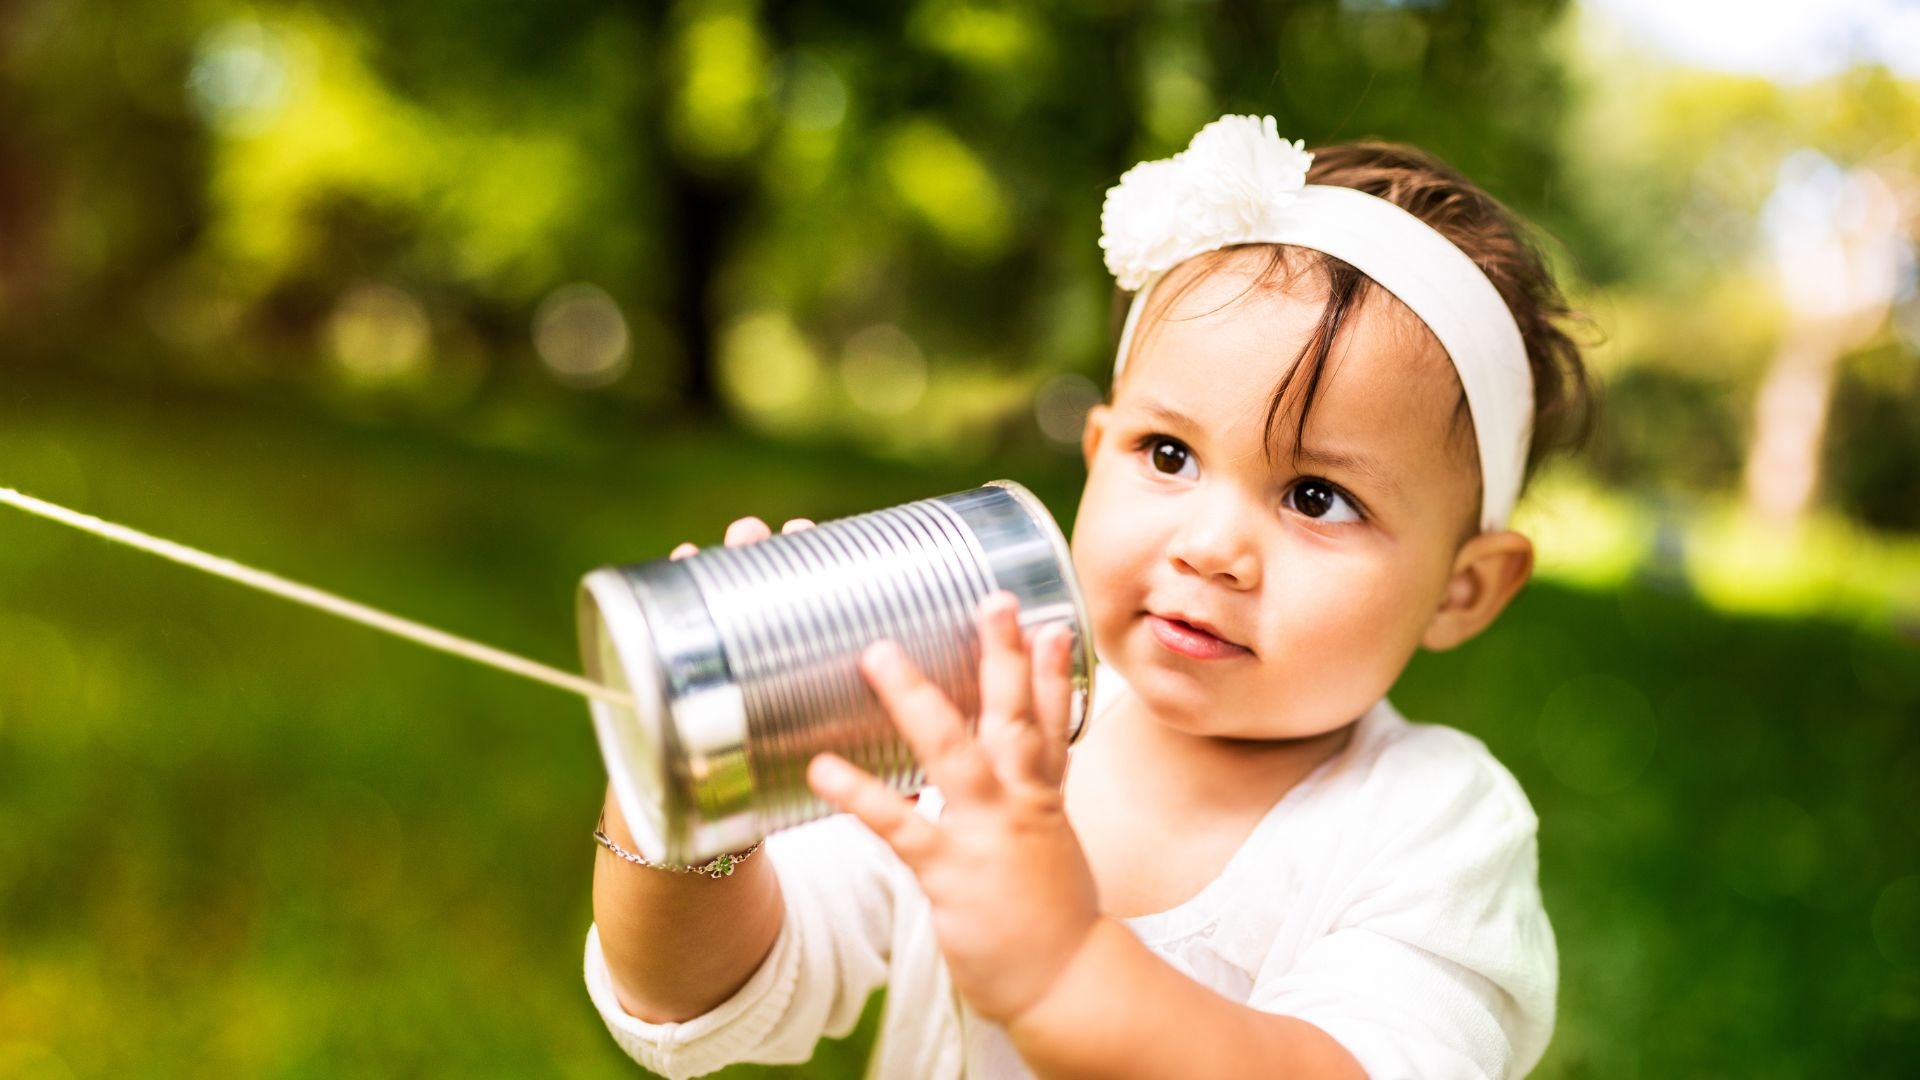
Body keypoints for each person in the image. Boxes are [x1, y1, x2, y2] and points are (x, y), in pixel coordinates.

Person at [583, 114, 1596, 1078]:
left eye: (1317, 496)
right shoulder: (983, 717)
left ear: (1464, 589)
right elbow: (701, 995)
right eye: (1169, 454)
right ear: (1098, 452)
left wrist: (1063, 969)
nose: (1211, 548)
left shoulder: (1432, 826)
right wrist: (685, 786)